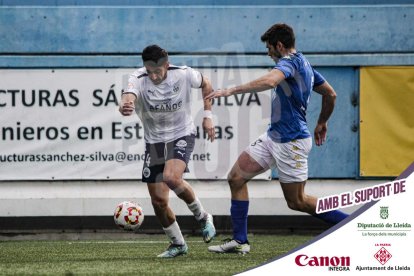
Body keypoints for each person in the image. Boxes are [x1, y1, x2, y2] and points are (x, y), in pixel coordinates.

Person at [206, 23, 349, 254]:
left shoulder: (289, 62)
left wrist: (230, 91)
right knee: (236, 178)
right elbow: (330, 94)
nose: (268, 52)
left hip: (291, 141)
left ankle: (354, 225)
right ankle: (240, 241)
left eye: (269, 48)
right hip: (274, 137)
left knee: (297, 202)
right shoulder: (305, 64)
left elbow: (271, 81)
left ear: (279, 46)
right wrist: (322, 121)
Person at [119, 44, 216, 258]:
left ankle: (202, 217)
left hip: (181, 134)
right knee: (159, 201)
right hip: (154, 142)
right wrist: (125, 106)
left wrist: (208, 116)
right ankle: (178, 244)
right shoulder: (138, 77)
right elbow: (128, 96)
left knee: (172, 178)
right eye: (149, 71)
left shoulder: (183, 74)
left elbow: (206, 83)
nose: (153, 76)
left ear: (167, 65)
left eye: (158, 72)